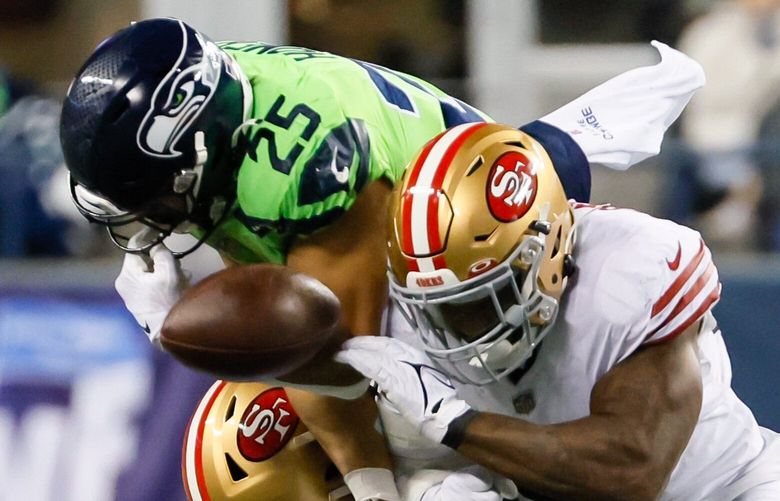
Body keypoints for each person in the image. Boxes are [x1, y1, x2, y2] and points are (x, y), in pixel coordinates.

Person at [59, 17, 705, 500]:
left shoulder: (300, 168)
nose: (143, 222)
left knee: (438, 471)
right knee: (233, 450)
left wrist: (373, 489)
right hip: (409, 251)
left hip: (474, 264)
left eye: (150, 197)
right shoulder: (220, 114)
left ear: (197, 153)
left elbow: (338, 360)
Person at [336, 122, 780, 500]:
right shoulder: (400, 320)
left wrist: (452, 419)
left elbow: (631, 470)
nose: (462, 327)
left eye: (480, 299)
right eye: (441, 307)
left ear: (547, 248)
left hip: (727, 488)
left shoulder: (625, 272)